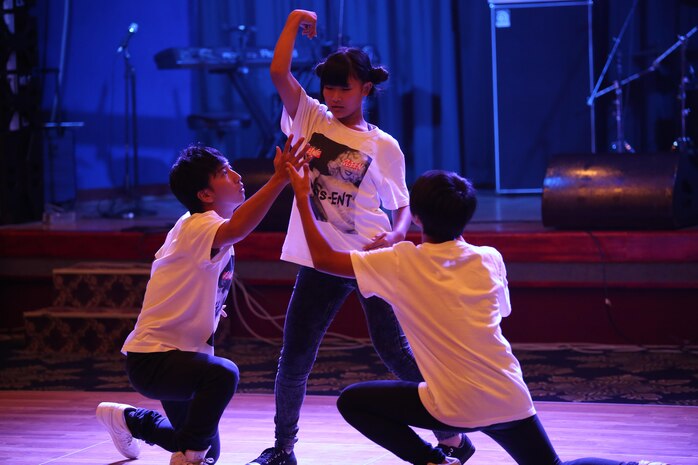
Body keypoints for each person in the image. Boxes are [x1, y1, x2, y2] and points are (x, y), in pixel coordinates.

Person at [285, 165, 671, 465]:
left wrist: (303, 196)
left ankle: (434, 459)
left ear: (416, 217)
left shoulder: (398, 262)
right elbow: (499, 313)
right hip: (508, 396)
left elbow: (321, 260)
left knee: (352, 402)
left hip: (451, 407)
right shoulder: (490, 258)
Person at [245, 10, 468, 465]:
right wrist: (291, 21)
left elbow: (401, 204)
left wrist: (397, 235)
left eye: (344, 86)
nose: (334, 95)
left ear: (366, 88)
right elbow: (277, 71)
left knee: (395, 353)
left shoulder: (382, 145)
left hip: (369, 256)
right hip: (320, 259)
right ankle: (282, 448)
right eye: (329, 86)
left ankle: (453, 435)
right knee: (296, 356)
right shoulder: (310, 116)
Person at [96, 136, 308, 465]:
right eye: (225, 172)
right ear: (205, 195)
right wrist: (279, 178)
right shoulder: (198, 225)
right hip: (155, 361)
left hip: (179, 359)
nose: (237, 176)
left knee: (206, 447)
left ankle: (127, 419)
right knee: (223, 376)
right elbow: (238, 229)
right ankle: (190, 457)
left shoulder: (199, 226)